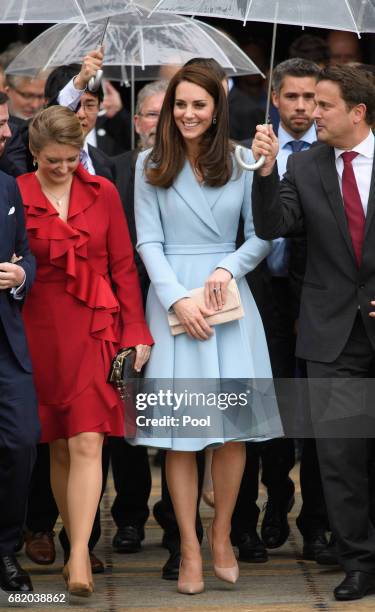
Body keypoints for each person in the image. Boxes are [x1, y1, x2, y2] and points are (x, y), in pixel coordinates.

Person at [133, 64, 282, 594]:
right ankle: (190, 549)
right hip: (173, 300)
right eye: (180, 105)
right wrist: (175, 297)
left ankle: (222, 536)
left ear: (217, 109)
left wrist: (227, 269)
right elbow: (147, 241)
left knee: (232, 434)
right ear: (169, 110)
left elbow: (263, 234)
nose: (189, 114)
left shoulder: (245, 160)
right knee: (181, 436)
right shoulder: (151, 163)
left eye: (199, 105)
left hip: (228, 300)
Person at [17, 105, 153, 597]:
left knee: (88, 441)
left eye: (71, 159)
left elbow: (122, 267)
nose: (62, 168)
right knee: (57, 445)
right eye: (52, 159)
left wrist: (136, 332)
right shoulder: (15, 194)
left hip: (96, 328)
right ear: (33, 153)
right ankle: (69, 536)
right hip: (37, 331)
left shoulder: (105, 192)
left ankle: (78, 556)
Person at [251, 64, 375, 601]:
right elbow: (272, 226)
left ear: (357, 112)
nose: (311, 115)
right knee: (341, 457)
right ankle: (359, 563)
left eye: (323, 106)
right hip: (333, 337)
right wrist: (265, 170)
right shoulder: (303, 168)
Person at [0, 90, 39, 593]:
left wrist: (20, 274)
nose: (7, 133)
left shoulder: (9, 187)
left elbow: (26, 253)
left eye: (6, 122)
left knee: (21, 441)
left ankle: (5, 548)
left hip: (8, 344)